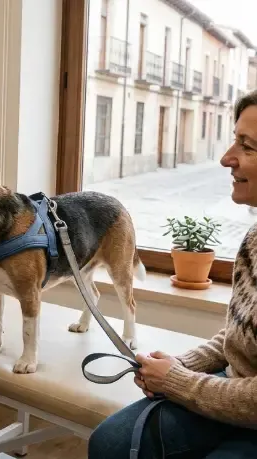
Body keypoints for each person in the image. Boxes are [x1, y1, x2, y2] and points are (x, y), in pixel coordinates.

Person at [87, 91, 257, 458]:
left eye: (247, 146)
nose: (226, 158)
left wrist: (179, 382)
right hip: (233, 388)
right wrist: (183, 364)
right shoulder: (254, 240)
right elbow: (239, 336)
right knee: (109, 443)